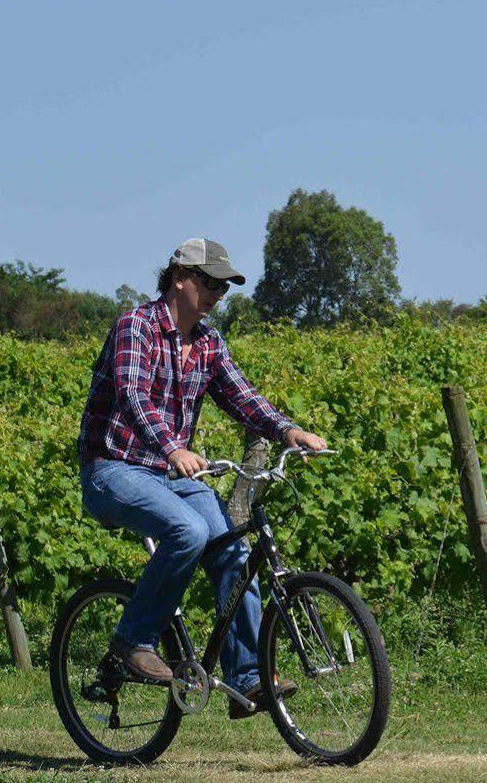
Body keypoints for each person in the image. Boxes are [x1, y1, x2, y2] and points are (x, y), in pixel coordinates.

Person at [76, 237, 328, 716]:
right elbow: (132, 396)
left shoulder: (209, 344)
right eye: (209, 282)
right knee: (187, 531)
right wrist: (172, 446)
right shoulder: (136, 326)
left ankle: (249, 675)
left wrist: (287, 429)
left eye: (224, 286)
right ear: (179, 278)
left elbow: (242, 397)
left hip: (168, 475)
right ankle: (134, 640)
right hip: (113, 469)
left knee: (233, 551)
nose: (217, 292)